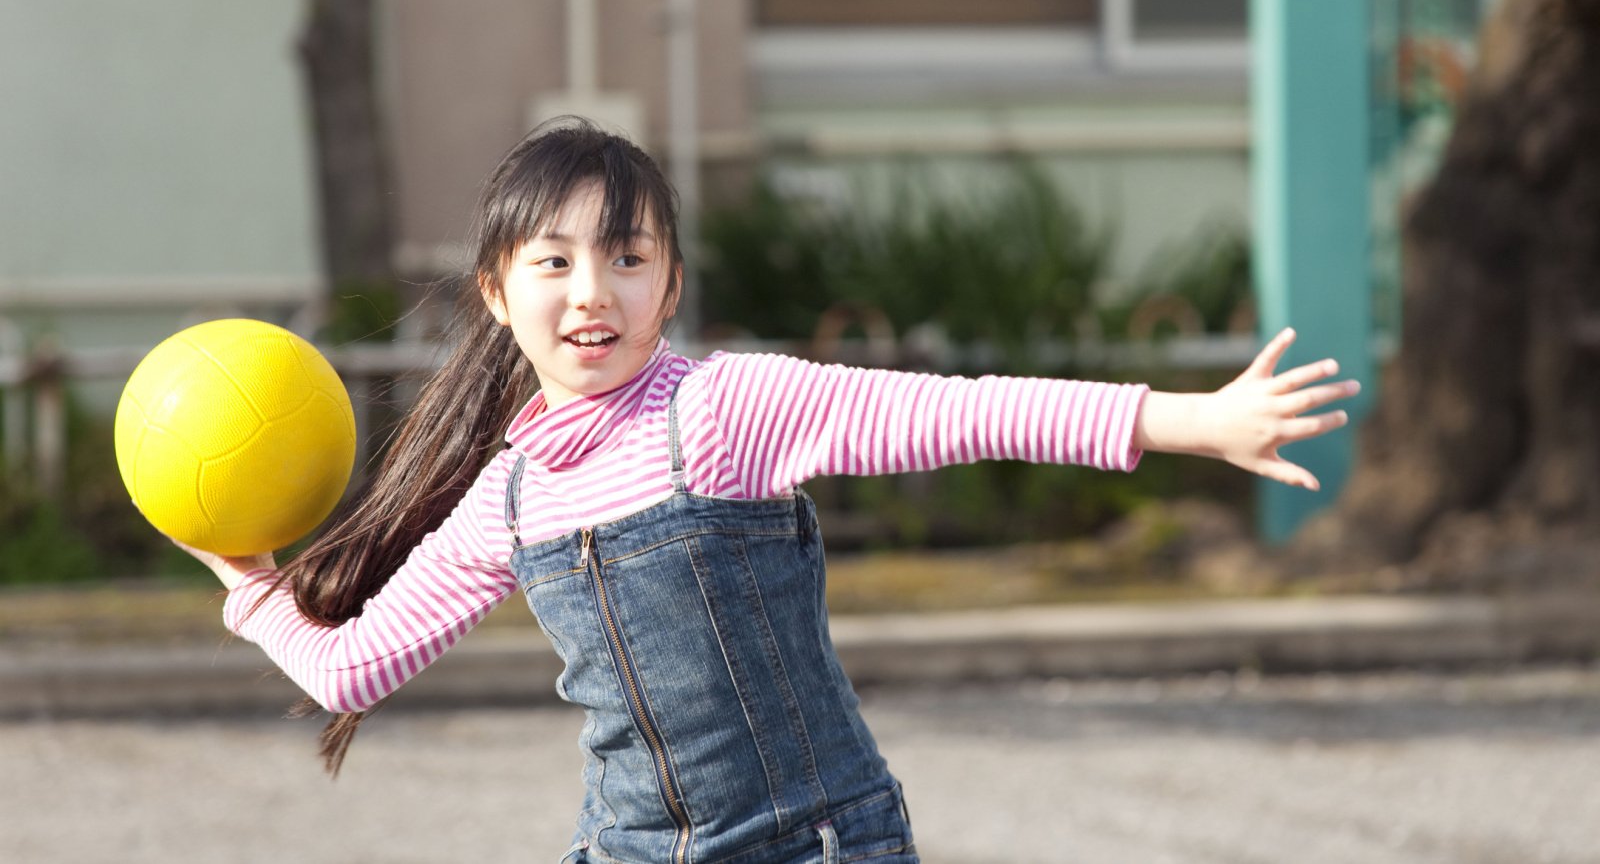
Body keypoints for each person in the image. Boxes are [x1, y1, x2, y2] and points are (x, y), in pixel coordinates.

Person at [178, 118, 1360, 863]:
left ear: (670, 284)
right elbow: (353, 667)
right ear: (496, 293)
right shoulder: (509, 496)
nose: (592, 289)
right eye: (554, 262)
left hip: (814, 843)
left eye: (626, 258)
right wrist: (249, 586)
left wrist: (1194, 420)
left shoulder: (721, 411)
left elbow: (957, 412)